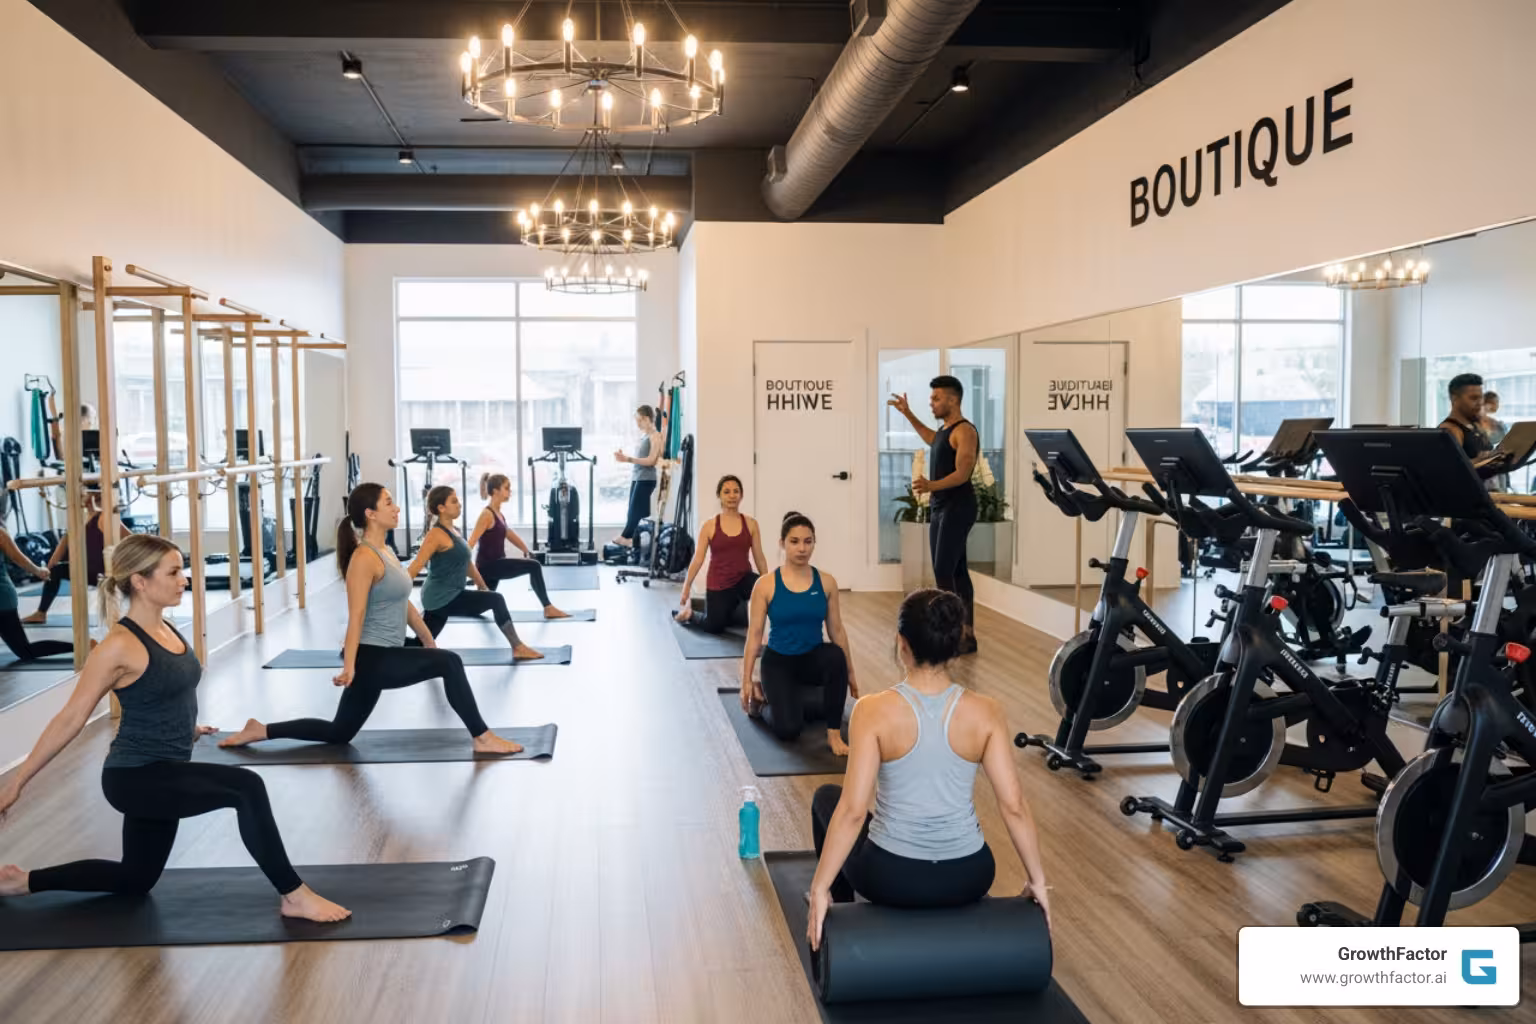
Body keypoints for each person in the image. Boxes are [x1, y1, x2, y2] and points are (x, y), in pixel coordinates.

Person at [0, 533, 349, 923]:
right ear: (139, 580)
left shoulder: (167, 628)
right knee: (247, 787)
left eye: (182, 569)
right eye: (174, 571)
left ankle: (22, 881)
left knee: (135, 878)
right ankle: (294, 895)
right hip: (136, 776)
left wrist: (188, 727)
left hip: (164, 766)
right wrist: (17, 782)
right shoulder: (117, 645)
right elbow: (70, 718)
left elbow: (161, 692)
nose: (185, 579)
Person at [806, 589, 1050, 951]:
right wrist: (1038, 882)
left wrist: (818, 888)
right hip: (969, 876)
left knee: (828, 798)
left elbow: (854, 812)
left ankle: (841, 922)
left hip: (892, 878)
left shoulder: (872, 710)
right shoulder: (987, 711)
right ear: (954, 647)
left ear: (901, 643)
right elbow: (1013, 805)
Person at [219, 484, 524, 755]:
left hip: (385, 652)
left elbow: (405, 605)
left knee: (339, 733)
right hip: (372, 657)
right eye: (388, 502)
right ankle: (481, 737)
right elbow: (356, 616)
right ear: (371, 514)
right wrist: (350, 665)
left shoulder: (386, 551)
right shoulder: (364, 558)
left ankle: (260, 730)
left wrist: (428, 642)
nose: (397, 508)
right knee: (450, 663)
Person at [739, 512, 857, 755]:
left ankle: (834, 735)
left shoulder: (826, 582)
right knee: (789, 729)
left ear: (814, 542)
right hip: (779, 663)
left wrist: (851, 673)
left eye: (808, 541)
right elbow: (754, 635)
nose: (802, 548)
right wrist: (745, 681)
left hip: (811, 658)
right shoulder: (766, 584)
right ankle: (762, 704)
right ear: (782, 543)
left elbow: (836, 630)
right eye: (794, 541)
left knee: (835, 656)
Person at [888, 376, 980, 654]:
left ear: (953, 400)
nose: (932, 403)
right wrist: (908, 413)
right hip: (942, 506)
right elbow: (933, 439)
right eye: (931, 399)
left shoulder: (965, 432)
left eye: (936, 398)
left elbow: (963, 474)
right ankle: (966, 634)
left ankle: (950, 636)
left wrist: (930, 486)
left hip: (958, 506)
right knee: (957, 571)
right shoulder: (945, 430)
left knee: (944, 571)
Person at [405, 486, 544, 661]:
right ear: (441, 508)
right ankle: (518, 647)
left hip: (445, 595)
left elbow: (467, 562)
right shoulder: (435, 535)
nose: (459, 504)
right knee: (496, 599)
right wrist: (397, 588)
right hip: (442, 597)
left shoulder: (454, 530)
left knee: (420, 645)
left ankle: (386, 648)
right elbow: (417, 564)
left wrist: (482, 585)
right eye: (454, 501)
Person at [22, 489, 131, 625]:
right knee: (56, 571)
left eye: (86, 494)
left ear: (94, 497)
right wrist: (47, 570)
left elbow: (131, 539)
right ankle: (40, 613)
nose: (82, 496)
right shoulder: (82, 519)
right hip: (85, 569)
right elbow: (63, 545)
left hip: (102, 571)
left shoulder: (104, 517)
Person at [675, 475, 768, 633]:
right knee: (714, 626)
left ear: (741, 495)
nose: (732, 495)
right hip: (719, 583)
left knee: (763, 592)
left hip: (743, 579)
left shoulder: (751, 524)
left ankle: (728, 609)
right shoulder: (709, 526)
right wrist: (687, 585)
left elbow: (759, 556)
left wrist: (768, 582)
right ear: (719, 495)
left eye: (736, 491)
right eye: (726, 492)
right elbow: (698, 559)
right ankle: (691, 613)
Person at [469, 474, 569, 620]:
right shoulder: (486, 515)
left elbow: (509, 534)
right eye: (507, 488)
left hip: (495, 564)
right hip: (489, 566)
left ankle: (454, 606)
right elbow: (471, 542)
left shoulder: (498, 514)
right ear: (496, 491)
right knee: (534, 566)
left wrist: (526, 550)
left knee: (479, 608)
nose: (510, 491)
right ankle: (548, 608)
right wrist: (468, 569)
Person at [0, 528, 73, 663]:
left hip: (2, 600)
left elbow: (20, 560)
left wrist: (40, 571)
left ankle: (81, 647)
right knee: (25, 651)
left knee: (25, 651)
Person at [612, 405, 665, 549]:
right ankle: (633, 540)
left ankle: (627, 537)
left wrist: (627, 459)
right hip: (638, 477)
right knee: (633, 510)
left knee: (635, 511)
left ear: (647, 419)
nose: (638, 424)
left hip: (647, 479)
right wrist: (624, 458)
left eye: (640, 420)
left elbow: (651, 461)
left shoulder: (655, 436)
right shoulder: (644, 437)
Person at [1439, 373, 1491, 462]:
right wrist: (1479, 460)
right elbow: (1449, 468)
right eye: (1474, 398)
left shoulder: (1475, 424)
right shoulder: (1451, 429)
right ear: (1454, 398)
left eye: (1481, 397)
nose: (1480, 403)